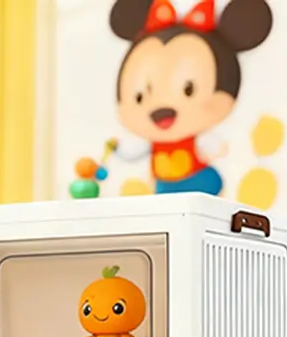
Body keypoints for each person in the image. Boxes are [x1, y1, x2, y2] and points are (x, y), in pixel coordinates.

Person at [109, 0, 272, 196]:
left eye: (189, 90)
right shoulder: (153, 144)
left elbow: (215, 147)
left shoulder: (200, 140)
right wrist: (116, 148)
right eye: (140, 96)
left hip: (200, 180)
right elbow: (133, 152)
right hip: (165, 187)